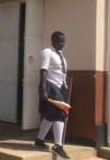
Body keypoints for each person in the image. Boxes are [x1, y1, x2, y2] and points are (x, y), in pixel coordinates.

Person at [34, 31, 70, 159]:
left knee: (50, 115)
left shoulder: (60, 55)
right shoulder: (47, 52)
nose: (63, 44)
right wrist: (43, 90)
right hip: (50, 86)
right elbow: (44, 71)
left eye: (64, 41)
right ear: (54, 40)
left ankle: (39, 141)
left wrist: (64, 86)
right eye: (61, 41)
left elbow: (61, 72)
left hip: (59, 87)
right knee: (60, 115)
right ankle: (58, 145)